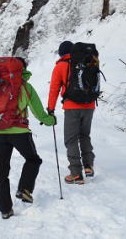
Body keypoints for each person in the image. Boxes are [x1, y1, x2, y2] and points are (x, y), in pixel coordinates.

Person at [0, 57, 56, 219]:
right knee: (33, 160)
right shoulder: (25, 87)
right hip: (19, 132)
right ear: (21, 70)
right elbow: (38, 111)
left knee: (0, 170)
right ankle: (24, 189)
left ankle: (5, 209)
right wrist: (50, 120)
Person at [48, 41, 96, 184]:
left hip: (72, 107)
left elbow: (54, 89)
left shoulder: (60, 66)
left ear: (62, 53)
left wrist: (51, 109)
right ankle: (88, 166)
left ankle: (76, 173)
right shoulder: (87, 62)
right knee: (84, 135)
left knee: (71, 139)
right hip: (89, 105)